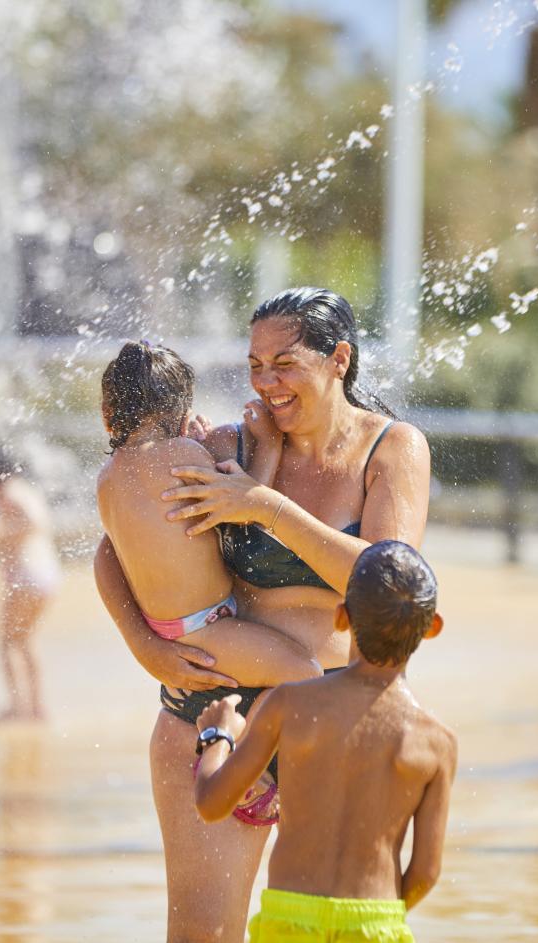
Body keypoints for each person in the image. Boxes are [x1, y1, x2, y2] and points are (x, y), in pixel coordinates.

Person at [93, 288, 431, 943]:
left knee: (331, 930)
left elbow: (385, 580)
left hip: (335, 725)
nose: (266, 381)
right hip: (212, 709)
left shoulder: (392, 449)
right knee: (201, 936)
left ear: (338, 359)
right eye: (254, 364)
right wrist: (142, 642)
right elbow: (113, 546)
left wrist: (263, 505)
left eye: (283, 363)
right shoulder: (234, 444)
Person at [98, 339, 322, 817]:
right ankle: (249, 768)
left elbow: (121, 547)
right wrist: (269, 445)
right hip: (210, 629)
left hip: (168, 630)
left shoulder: (107, 476)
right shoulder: (183, 454)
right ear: (183, 415)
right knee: (306, 673)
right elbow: (242, 513)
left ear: (106, 415)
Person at [193, 540, 457, 943]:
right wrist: (373, 918)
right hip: (376, 922)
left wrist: (219, 735)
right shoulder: (436, 743)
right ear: (433, 627)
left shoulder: (291, 705)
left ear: (342, 618)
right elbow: (425, 873)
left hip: (291, 920)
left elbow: (212, 804)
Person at [0, 444, 62, 723]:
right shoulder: (25, 488)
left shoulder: (9, 493)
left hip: (26, 576)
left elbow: (33, 523)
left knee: (8, 642)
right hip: (47, 574)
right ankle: (36, 706)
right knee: (24, 640)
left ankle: (18, 707)